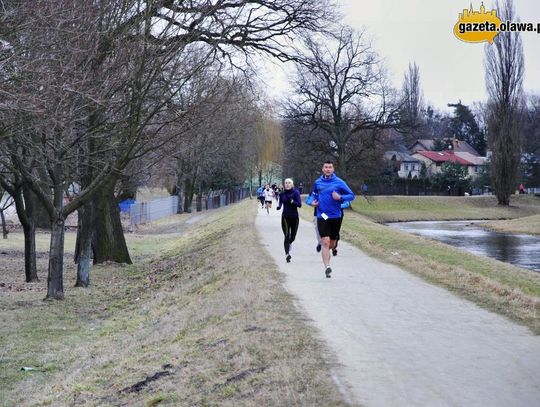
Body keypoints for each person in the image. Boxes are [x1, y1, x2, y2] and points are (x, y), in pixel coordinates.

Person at [307, 160, 355, 278]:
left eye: (330, 167)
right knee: (325, 242)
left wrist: (340, 197)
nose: (328, 169)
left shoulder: (339, 182)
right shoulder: (318, 182)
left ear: (333, 169)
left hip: (336, 216)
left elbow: (352, 195)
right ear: (323, 169)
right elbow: (311, 197)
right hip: (322, 215)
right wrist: (311, 202)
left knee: (332, 244)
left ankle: (329, 252)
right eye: (326, 167)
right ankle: (327, 267)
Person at [276, 178, 302, 263]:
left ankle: (289, 244)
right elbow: (280, 202)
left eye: (289, 183)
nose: (287, 184)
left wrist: (292, 201)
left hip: (295, 217)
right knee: (287, 235)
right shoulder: (282, 194)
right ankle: (287, 254)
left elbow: (299, 205)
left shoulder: (296, 193)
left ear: (292, 184)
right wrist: (279, 207)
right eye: (286, 183)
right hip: (285, 217)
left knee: (293, 237)